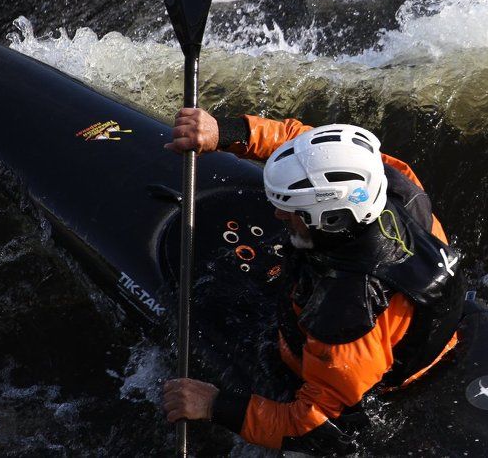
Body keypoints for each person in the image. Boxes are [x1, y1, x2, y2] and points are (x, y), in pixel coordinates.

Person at [160, 108, 466, 453]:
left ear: (331, 220)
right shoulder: (392, 181)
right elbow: (312, 153)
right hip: (392, 329)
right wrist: (229, 131)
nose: (277, 214)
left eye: (288, 209)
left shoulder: (345, 317)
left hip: (360, 375)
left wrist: (214, 405)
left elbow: (314, 425)